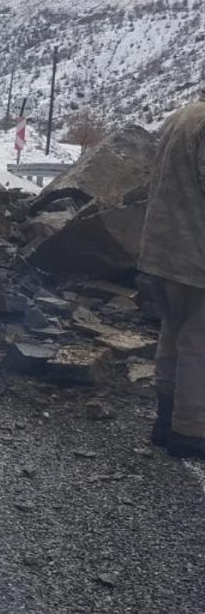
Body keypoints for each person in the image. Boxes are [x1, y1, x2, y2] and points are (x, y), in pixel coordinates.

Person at [140, 88, 205, 458]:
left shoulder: (182, 115)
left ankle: (165, 422)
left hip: (162, 252)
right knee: (199, 344)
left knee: (172, 335)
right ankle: (191, 432)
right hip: (197, 256)